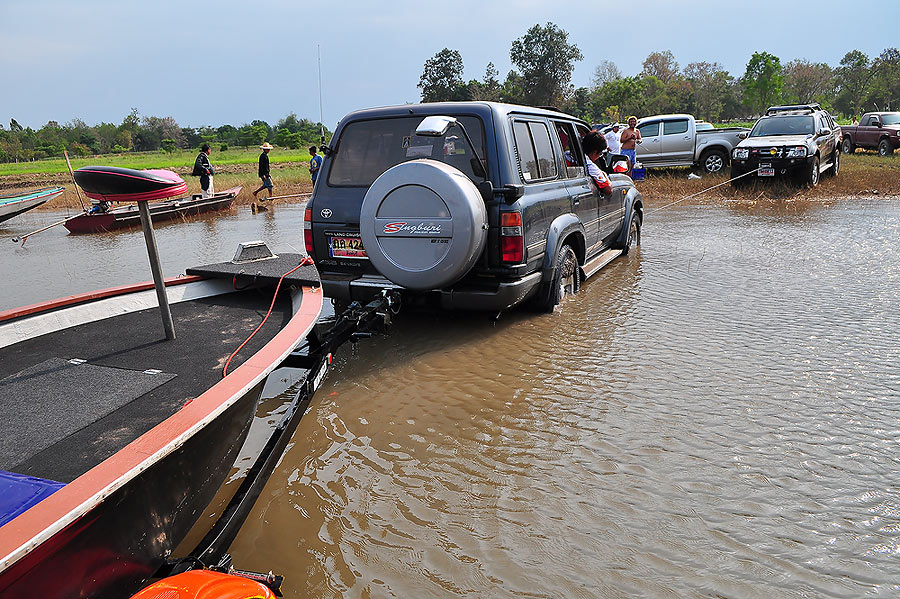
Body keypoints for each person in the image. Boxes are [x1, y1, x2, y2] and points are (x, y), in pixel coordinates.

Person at [580, 130, 612, 196]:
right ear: (594, 152)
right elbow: (608, 190)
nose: (599, 156)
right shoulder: (590, 166)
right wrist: (604, 175)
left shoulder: (566, 155)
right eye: (600, 154)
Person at [252, 142, 274, 209]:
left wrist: (268, 174)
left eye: (268, 149)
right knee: (270, 185)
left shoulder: (265, 156)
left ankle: (256, 192)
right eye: (267, 149)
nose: (268, 150)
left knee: (266, 185)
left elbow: (266, 167)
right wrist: (263, 175)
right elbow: (261, 167)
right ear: (264, 150)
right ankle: (271, 198)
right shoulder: (262, 156)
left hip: (265, 173)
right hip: (263, 174)